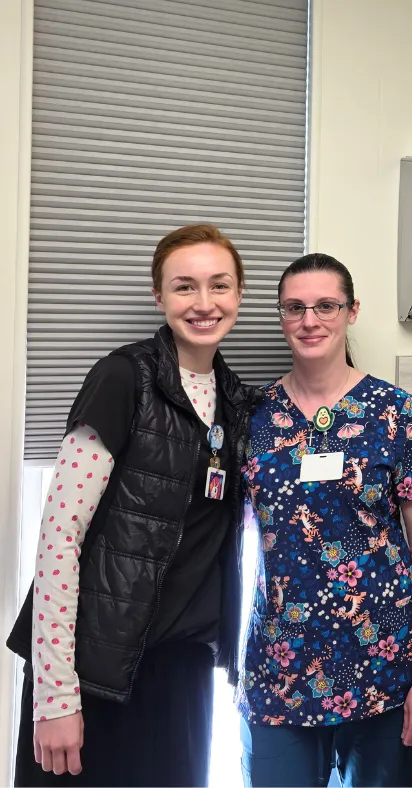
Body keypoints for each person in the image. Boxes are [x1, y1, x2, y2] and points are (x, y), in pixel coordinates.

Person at [6, 224, 262, 787]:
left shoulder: (238, 403)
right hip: (92, 665)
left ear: (239, 295)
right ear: (159, 297)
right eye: (184, 287)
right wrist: (54, 695)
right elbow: (59, 538)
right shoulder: (124, 378)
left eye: (219, 286)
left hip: (181, 670)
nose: (203, 303)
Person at [238, 254, 412, 787]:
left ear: (351, 311)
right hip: (279, 668)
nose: (310, 320)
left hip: (381, 664)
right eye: (295, 307)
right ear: (281, 316)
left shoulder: (392, 410)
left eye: (326, 305)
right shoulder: (253, 416)